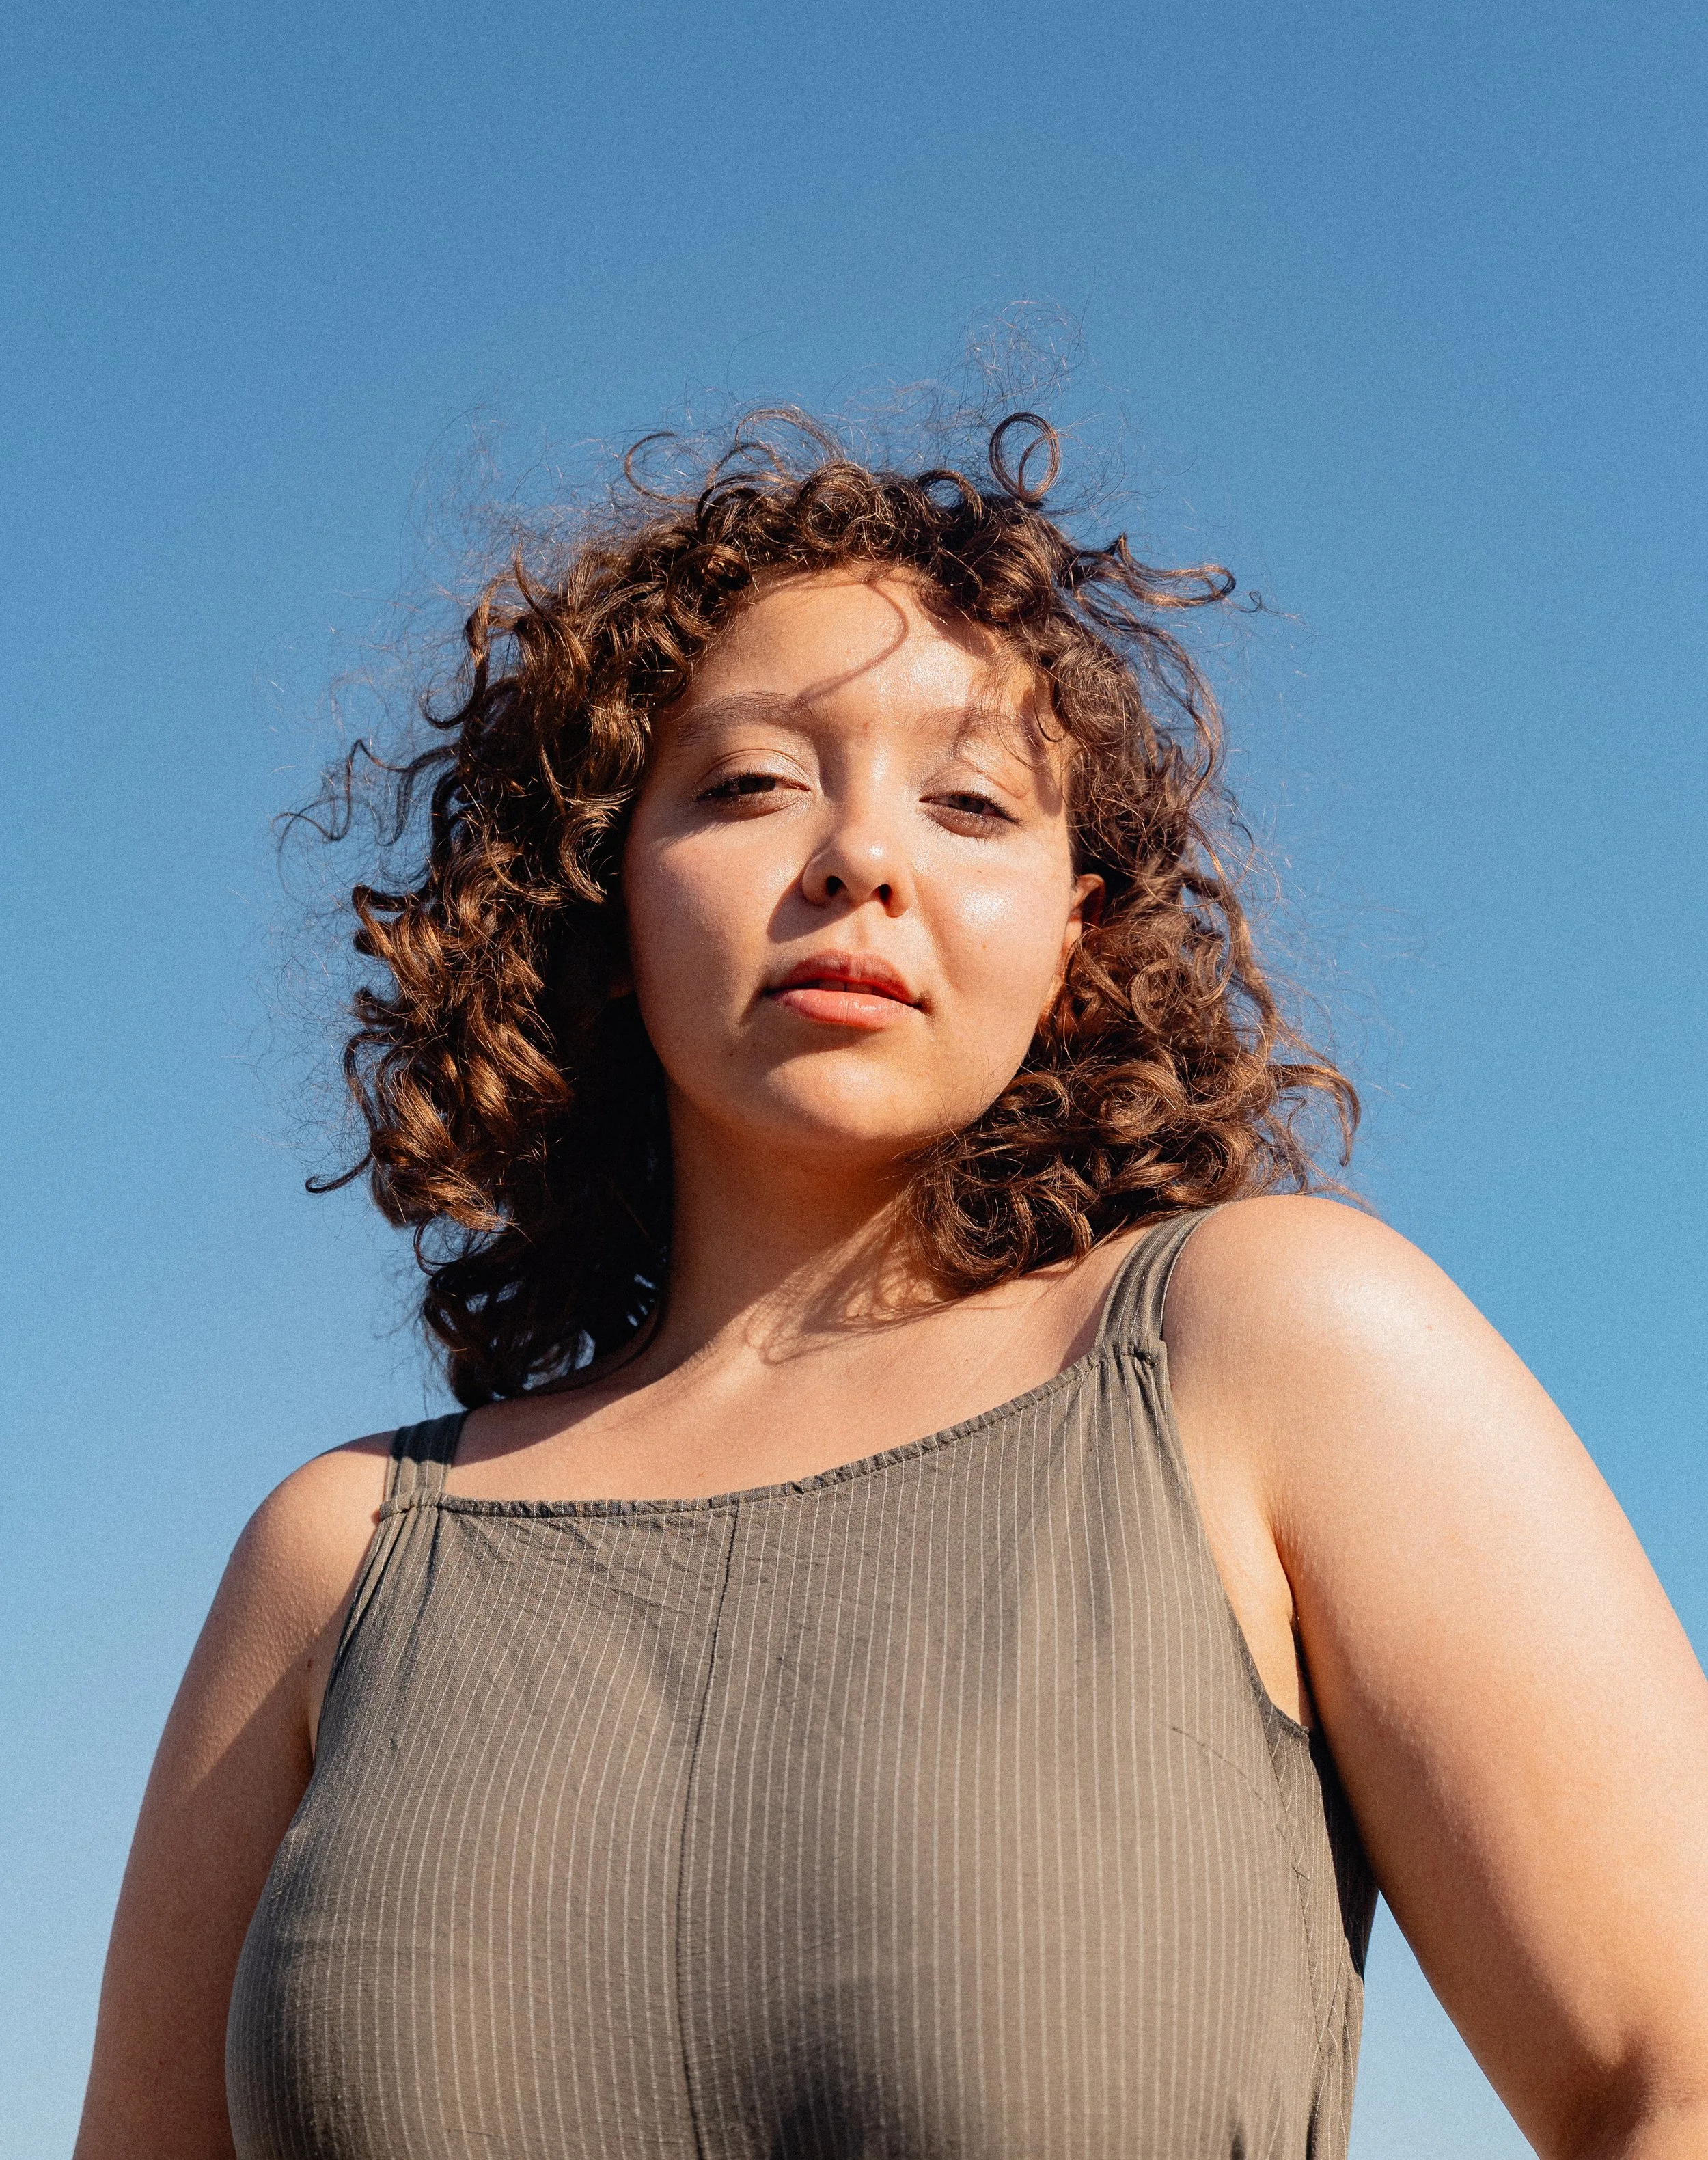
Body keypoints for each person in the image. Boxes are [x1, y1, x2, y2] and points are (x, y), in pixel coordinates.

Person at [76, 415, 1708, 2160]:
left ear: (1071, 943)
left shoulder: (1265, 1349)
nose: (859, 859)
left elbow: (1664, 2075)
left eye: (970, 802)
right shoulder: (339, 1556)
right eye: (751, 782)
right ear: (602, 899)